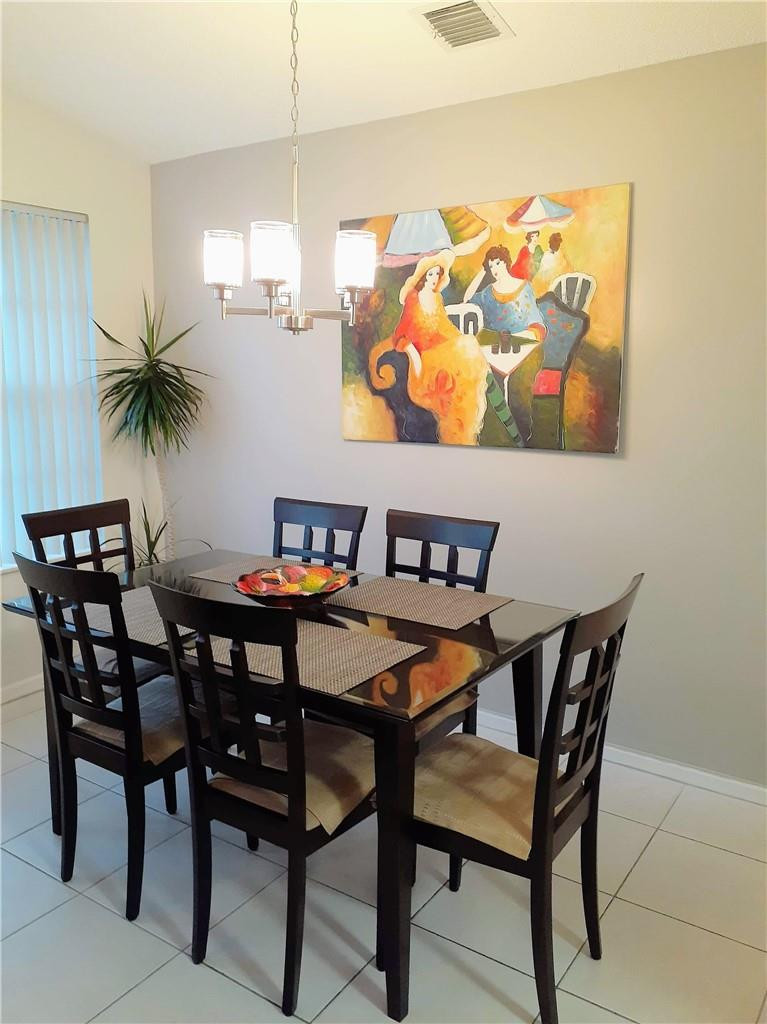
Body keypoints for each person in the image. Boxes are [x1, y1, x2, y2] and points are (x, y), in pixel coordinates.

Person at [368, 250, 489, 446]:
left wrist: (460, 340)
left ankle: (464, 429)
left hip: (444, 351)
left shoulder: (437, 298)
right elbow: (402, 332)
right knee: (459, 364)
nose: (434, 278)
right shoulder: (413, 299)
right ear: (423, 277)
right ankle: (455, 432)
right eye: (430, 274)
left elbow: (445, 328)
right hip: (426, 357)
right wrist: (410, 351)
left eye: (437, 274)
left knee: (468, 350)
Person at [464, 244, 547, 352]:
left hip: (523, 346)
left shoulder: (524, 287)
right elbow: (466, 301)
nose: (495, 269)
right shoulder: (488, 293)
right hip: (494, 349)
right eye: (491, 266)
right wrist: (483, 270)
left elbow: (537, 323)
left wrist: (521, 339)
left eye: (498, 263)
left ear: (506, 262)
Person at [534, 232, 570, 296]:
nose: (557, 245)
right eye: (555, 242)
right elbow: (543, 275)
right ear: (550, 243)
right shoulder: (546, 256)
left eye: (558, 243)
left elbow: (565, 270)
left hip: (559, 284)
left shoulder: (560, 255)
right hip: (547, 286)